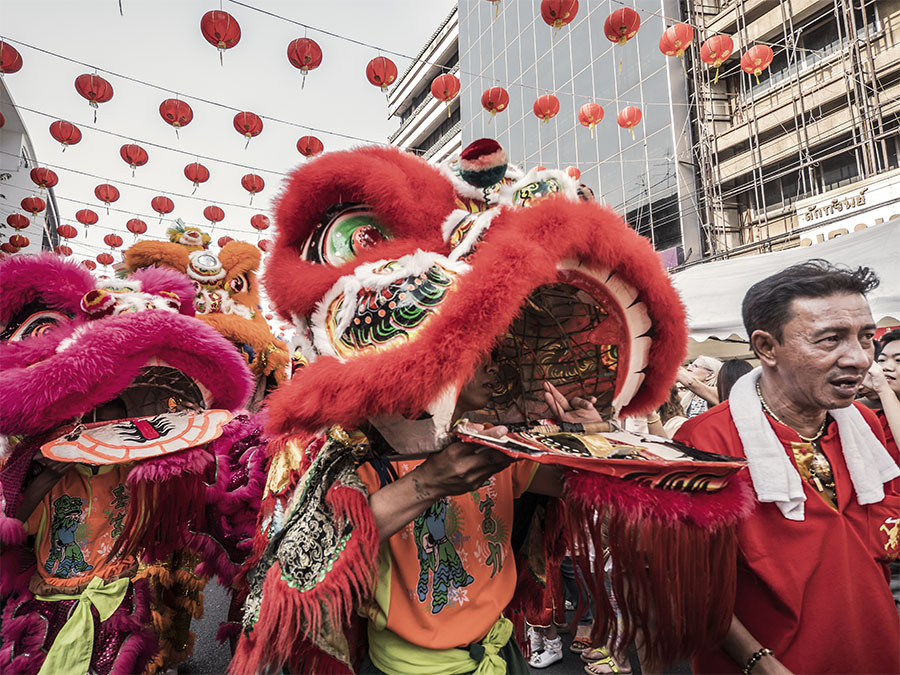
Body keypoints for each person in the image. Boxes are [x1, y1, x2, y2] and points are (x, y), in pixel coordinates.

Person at [675, 260, 900, 674]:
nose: (859, 359)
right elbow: (689, 584)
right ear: (766, 347)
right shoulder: (706, 442)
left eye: (866, 338)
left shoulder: (864, 425)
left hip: (876, 649)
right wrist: (758, 661)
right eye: (830, 339)